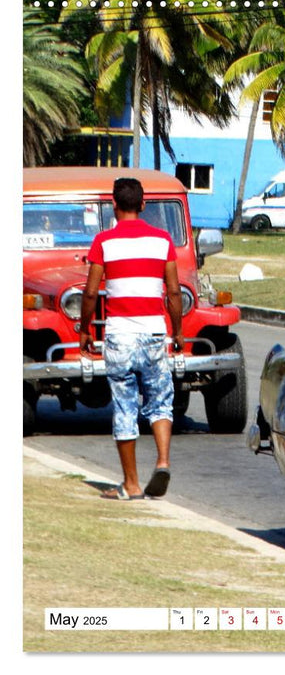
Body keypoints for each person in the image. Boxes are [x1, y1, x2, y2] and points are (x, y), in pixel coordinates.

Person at [80, 178, 184, 500]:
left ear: (114, 205)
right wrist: (178, 331)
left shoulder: (103, 241)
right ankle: (163, 460)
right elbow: (174, 292)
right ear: (142, 205)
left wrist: (85, 329)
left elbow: (90, 292)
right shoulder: (163, 240)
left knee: (125, 406)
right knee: (160, 400)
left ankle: (131, 484)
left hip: (119, 335)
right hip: (154, 332)